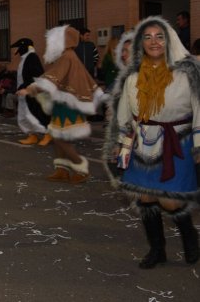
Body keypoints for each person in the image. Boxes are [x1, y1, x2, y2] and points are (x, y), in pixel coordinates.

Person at [104, 16, 199, 269]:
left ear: (168, 40)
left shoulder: (186, 72)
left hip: (176, 142)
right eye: (147, 37)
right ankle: (157, 250)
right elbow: (125, 114)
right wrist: (121, 144)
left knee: (170, 201)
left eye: (159, 36)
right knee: (145, 199)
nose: (153, 41)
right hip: (141, 144)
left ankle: (190, 238)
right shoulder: (133, 77)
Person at [17, 25, 104, 183]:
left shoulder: (67, 56)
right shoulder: (68, 56)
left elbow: (53, 77)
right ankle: (61, 170)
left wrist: (30, 89)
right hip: (64, 102)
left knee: (59, 138)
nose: (50, 45)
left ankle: (80, 167)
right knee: (59, 136)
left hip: (67, 105)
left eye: (52, 41)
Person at [11, 38, 51, 146]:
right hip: (24, 92)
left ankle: (48, 134)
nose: (17, 51)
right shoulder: (25, 58)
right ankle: (32, 135)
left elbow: (36, 75)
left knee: (37, 112)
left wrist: (24, 86)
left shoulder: (32, 57)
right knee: (26, 114)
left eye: (19, 47)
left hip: (32, 91)